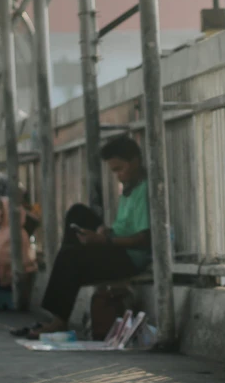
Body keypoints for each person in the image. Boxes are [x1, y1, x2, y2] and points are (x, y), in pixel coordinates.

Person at [12, 136, 151, 339]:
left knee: (70, 256)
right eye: (114, 171)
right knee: (77, 213)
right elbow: (123, 227)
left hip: (129, 256)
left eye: (120, 169)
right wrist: (104, 232)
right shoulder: (128, 189)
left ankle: (59, 321)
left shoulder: (145, 190)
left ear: (136, 161)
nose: (118, 176)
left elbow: (143, 239)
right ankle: (73, 256)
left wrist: (105, 241)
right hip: (113, 242)